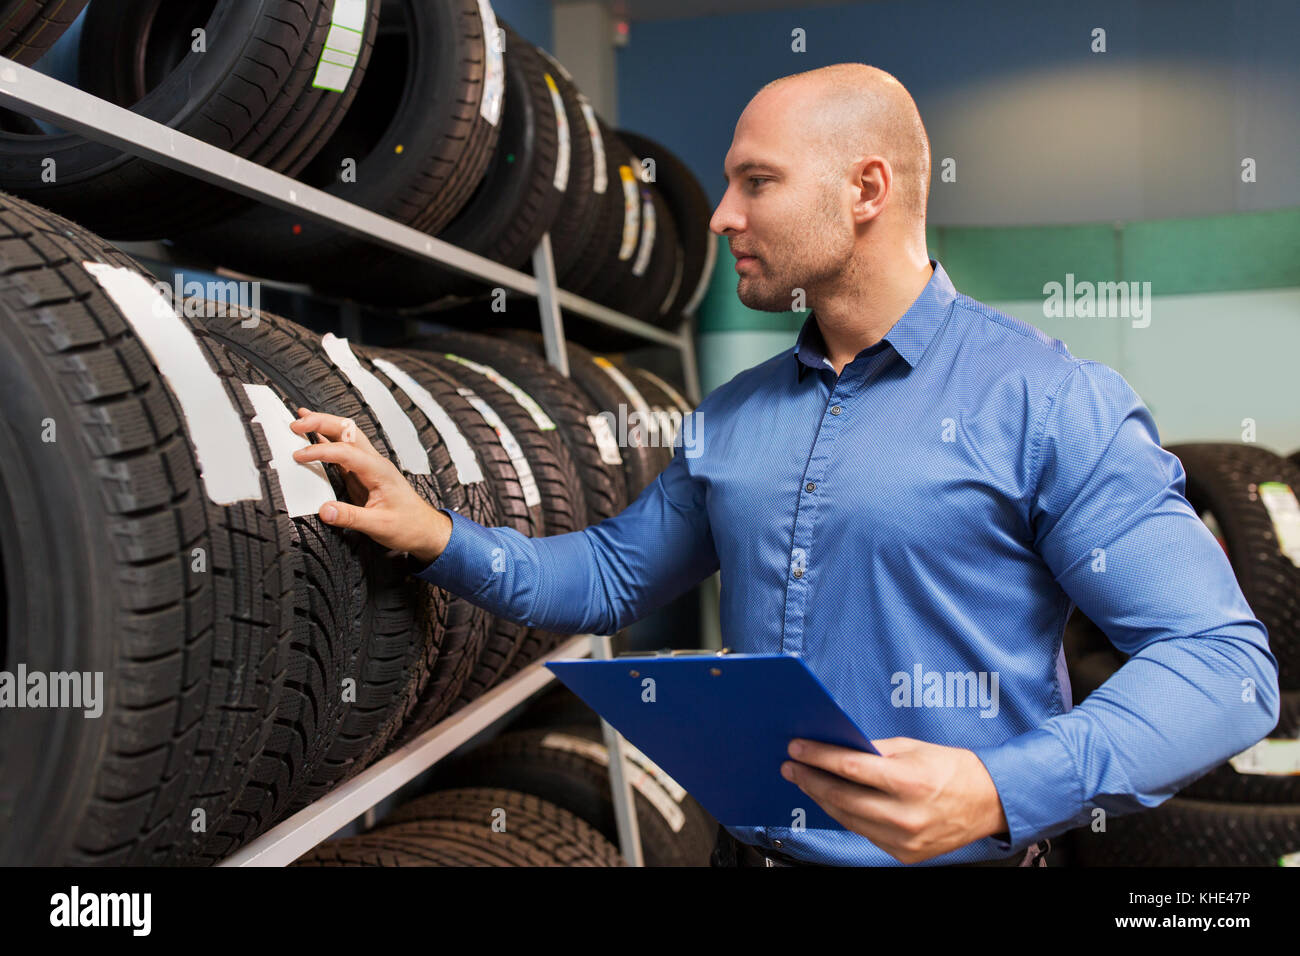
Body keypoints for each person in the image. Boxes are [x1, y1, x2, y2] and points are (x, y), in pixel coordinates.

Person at [287, 63, 1280, 867]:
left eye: (755, 181)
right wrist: (436, 535)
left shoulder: (1047, 402)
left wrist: (995, 789)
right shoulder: (734, 416)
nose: (719, 214)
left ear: (865, 190)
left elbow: (1223, 669)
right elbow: (609, 575)